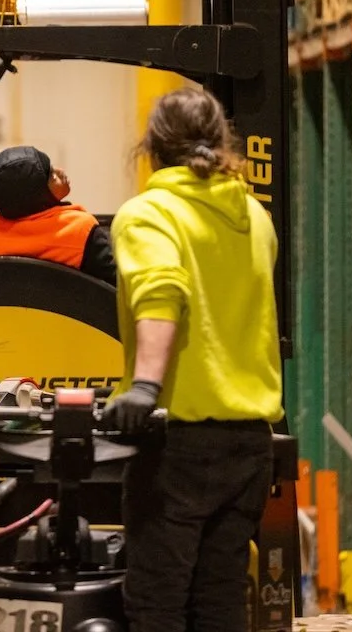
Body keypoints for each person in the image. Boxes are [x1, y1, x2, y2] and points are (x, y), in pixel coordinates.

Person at [100, 86, 283, 631]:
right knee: (221, 602)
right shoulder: (254, 215)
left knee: (158, 604)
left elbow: (163, 294)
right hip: (250, 443)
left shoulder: (148, 215)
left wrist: (145, 389)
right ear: (220, 142)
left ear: (152, 149)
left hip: (178, 443)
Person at [0, 145, 117, 317]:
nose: (60, 172)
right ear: (36, 195)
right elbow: (115, 294)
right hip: (65, 342)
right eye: (52, 176)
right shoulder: (81, 230)